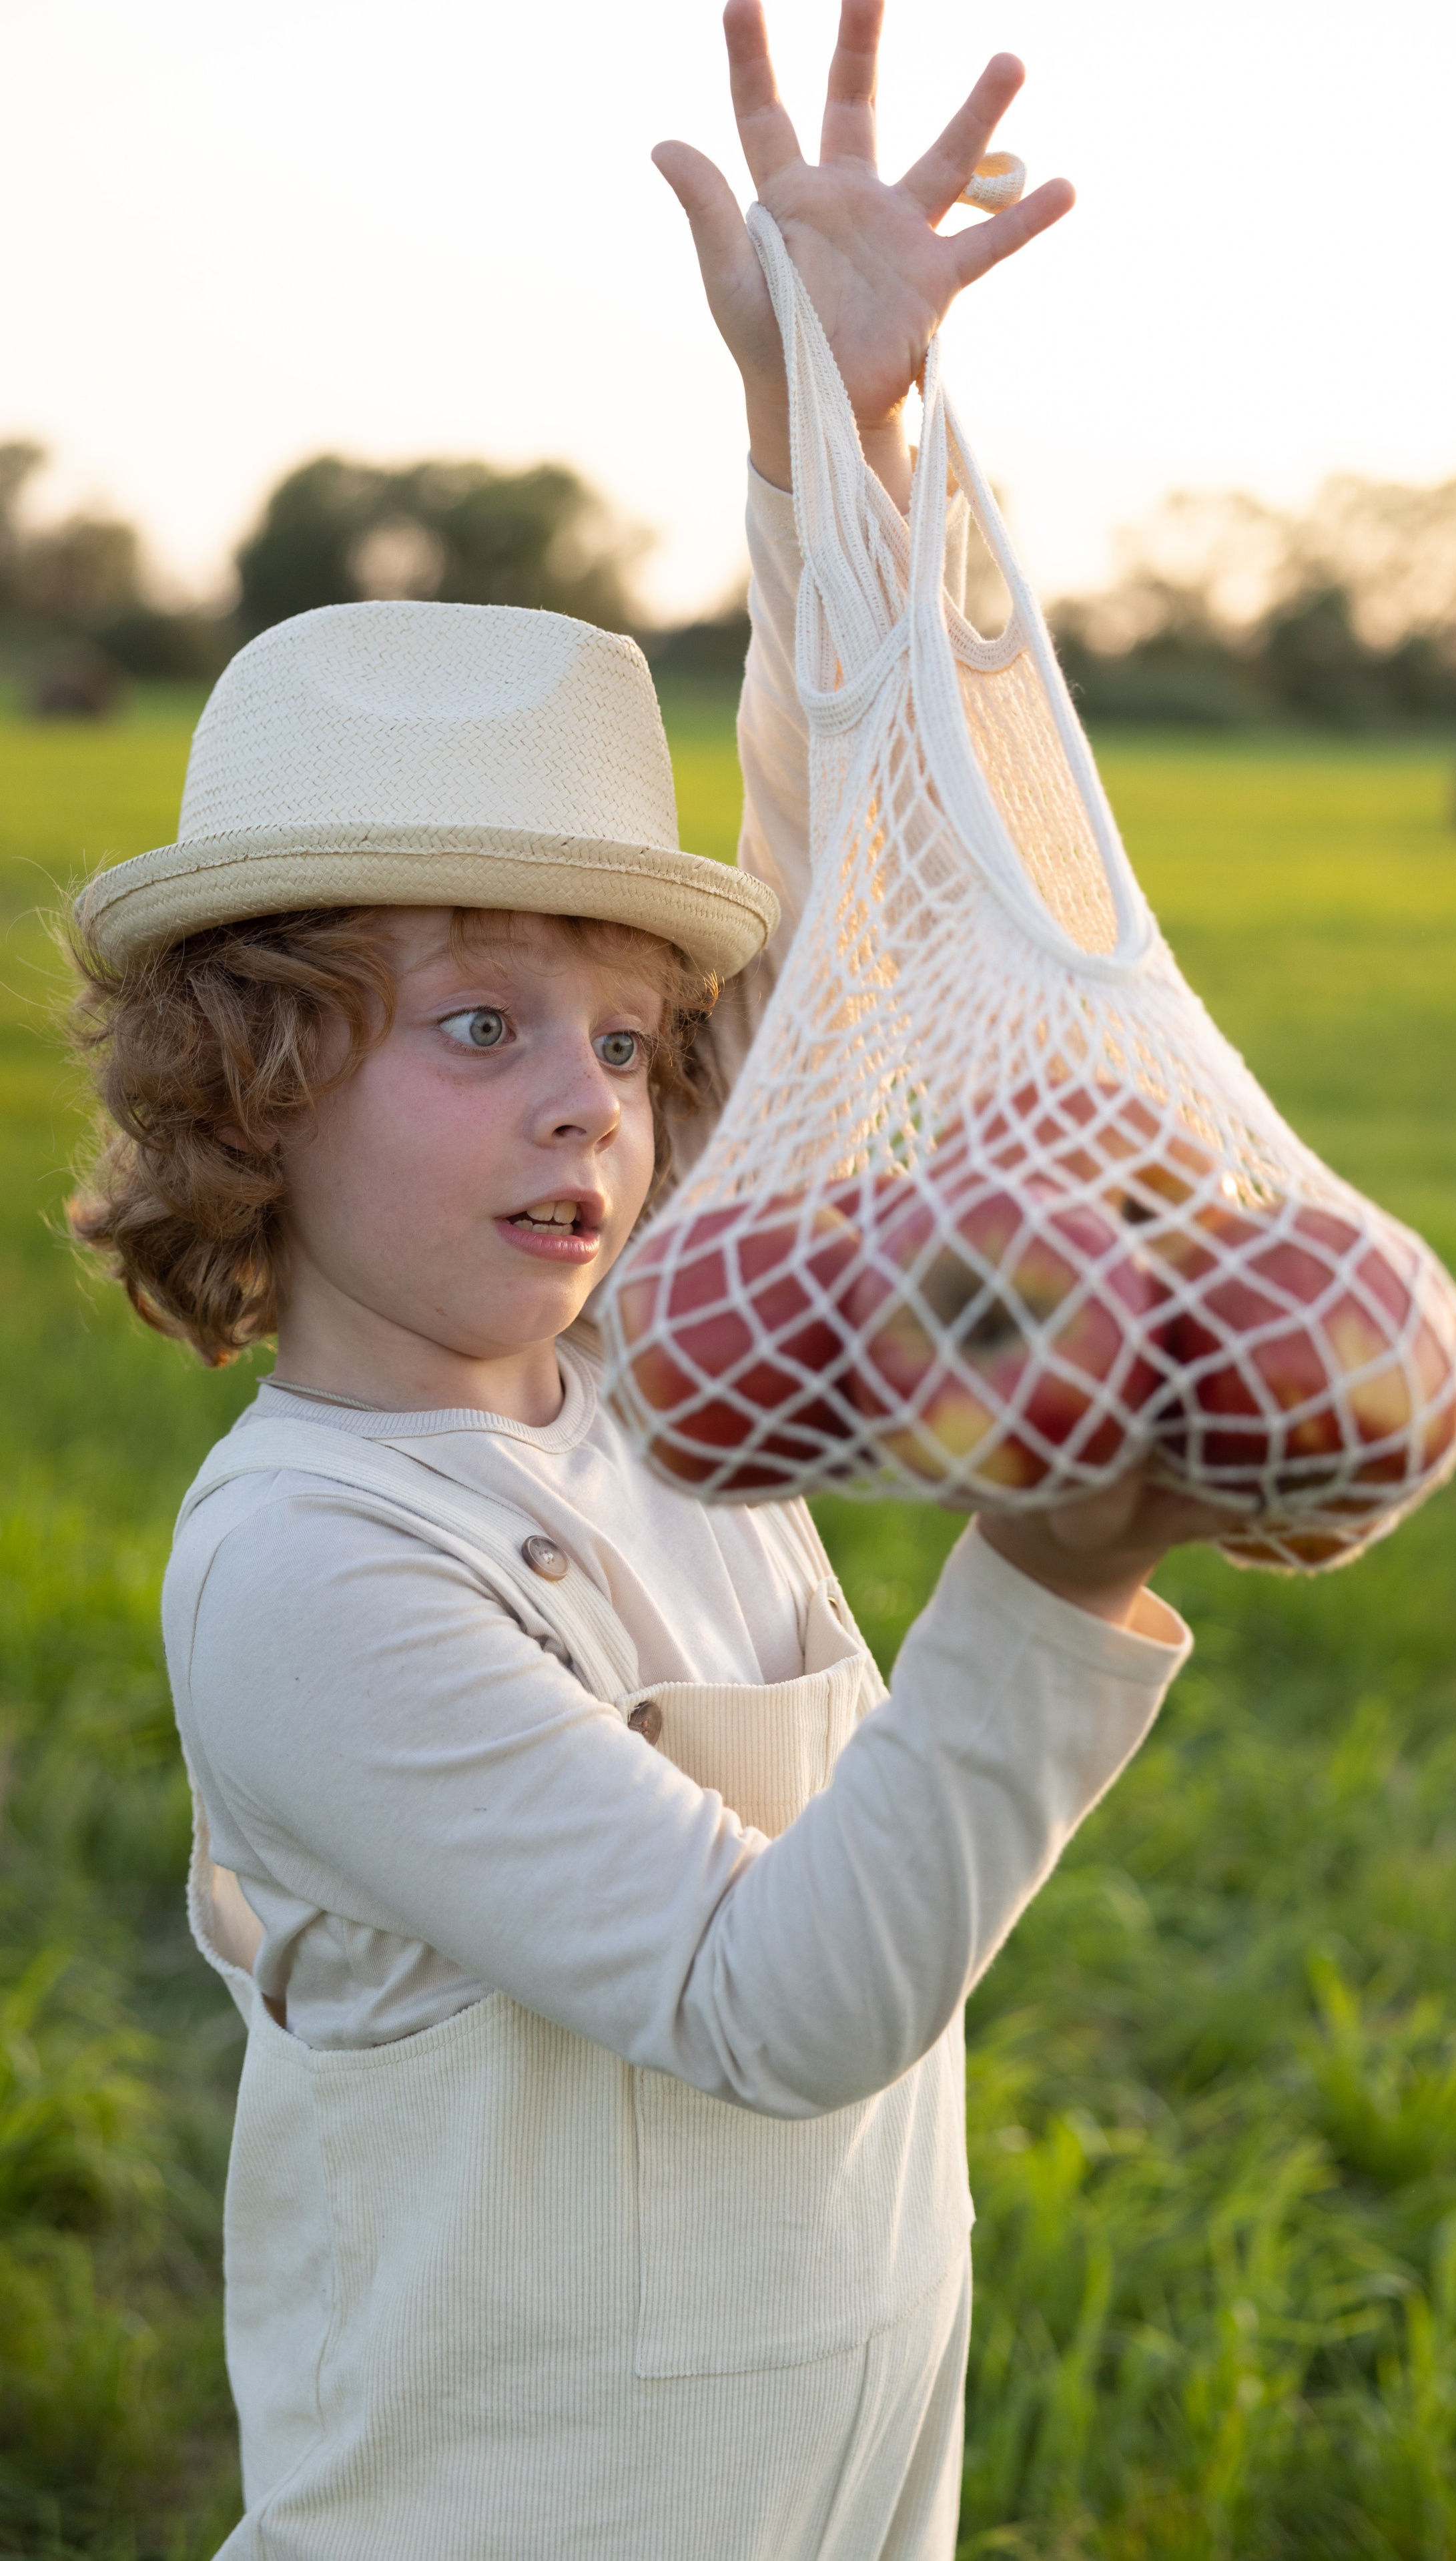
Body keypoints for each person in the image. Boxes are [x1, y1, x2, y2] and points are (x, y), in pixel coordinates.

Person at [69, 6, 1222, 2554]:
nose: (596, 1097)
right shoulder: (312, 1571)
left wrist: (831, 421)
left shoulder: (657, 1378)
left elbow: (834, 944)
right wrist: (1051, 1577)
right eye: (479, 1026)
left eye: (621, 1031)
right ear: (252, 1089)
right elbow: (772, 2003)